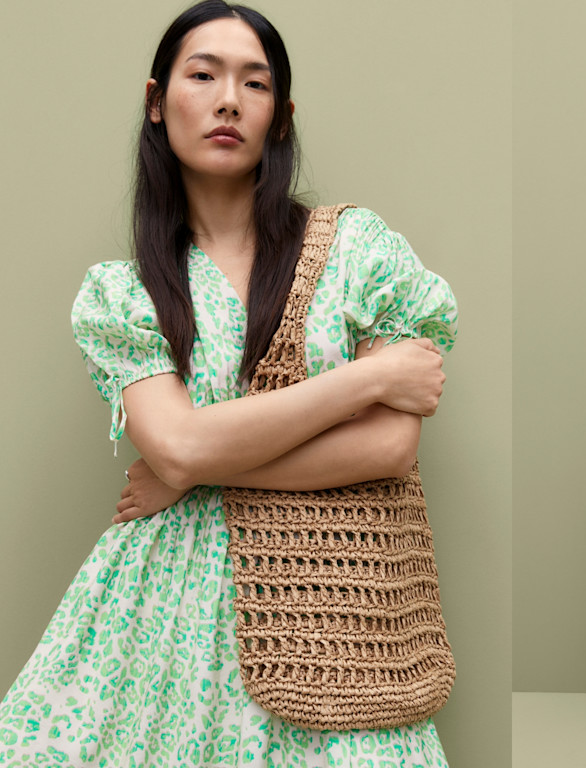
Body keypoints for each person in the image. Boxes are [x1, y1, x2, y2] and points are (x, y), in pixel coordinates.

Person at [0, 2, 456, 765]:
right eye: (203, 75)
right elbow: (174, 447)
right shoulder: (126, 294)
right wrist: (372, 375)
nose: (228, 101)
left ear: (280, 118)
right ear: (157, 101)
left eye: (256, 83)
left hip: (337, 612)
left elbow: (391, 445)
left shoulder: (357, 249)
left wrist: (197, 471)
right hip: (160, 612)